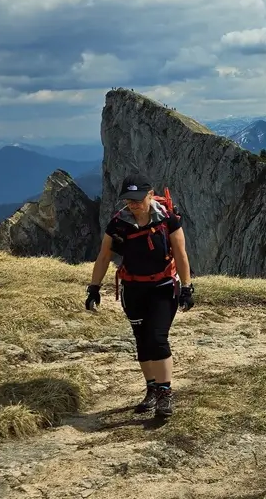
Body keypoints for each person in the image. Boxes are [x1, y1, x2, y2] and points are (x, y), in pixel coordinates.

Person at [85, 174, 194, 418]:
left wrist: (187, 287)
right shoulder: (118, 223)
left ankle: (165, 393)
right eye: (128, 199)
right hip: (133, 288)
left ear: (150, 194)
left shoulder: (167, 219)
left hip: (164, 286)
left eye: (137, 199)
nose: (133, 204)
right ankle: (152, 389)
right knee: (142, 340)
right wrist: (94, 287)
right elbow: (104, 256)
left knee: (157, 338)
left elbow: (180, 254)